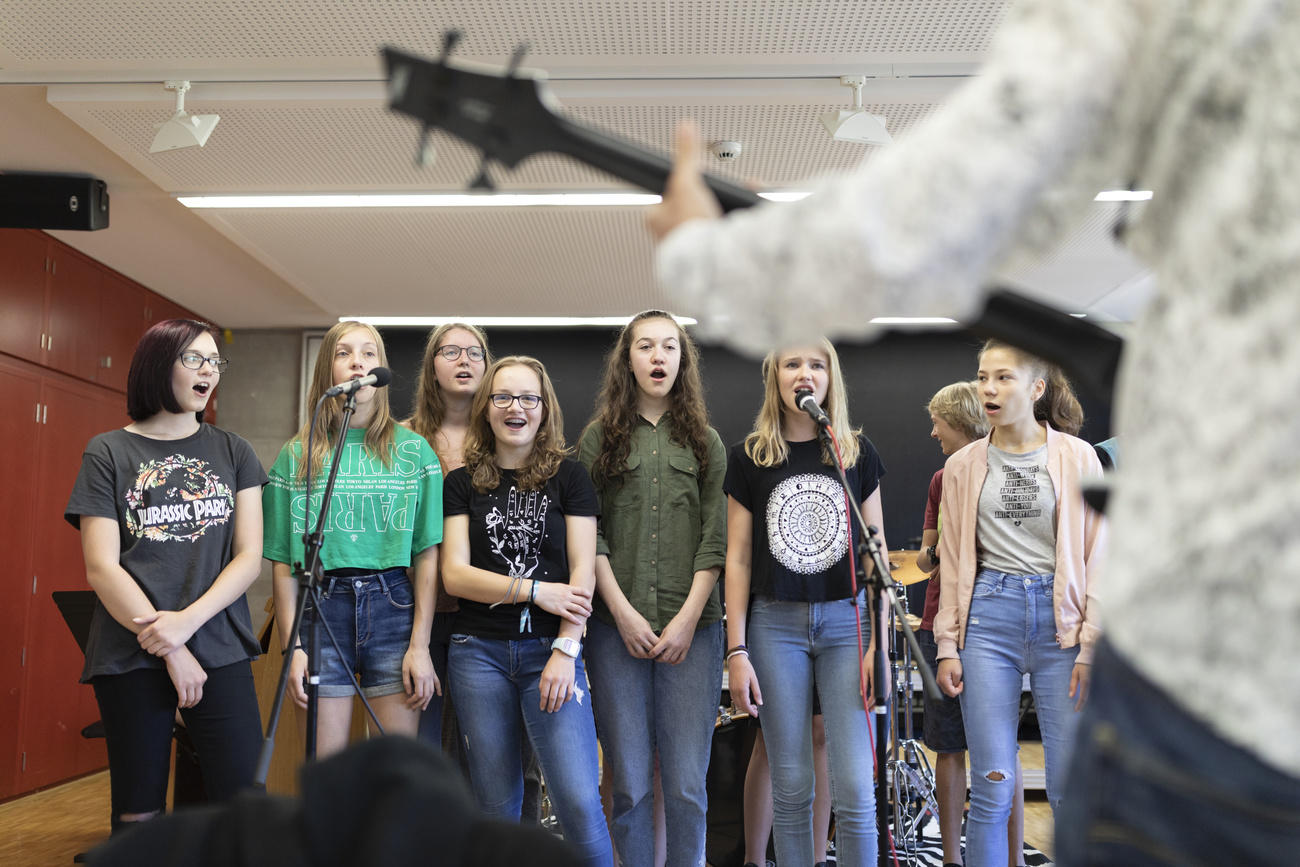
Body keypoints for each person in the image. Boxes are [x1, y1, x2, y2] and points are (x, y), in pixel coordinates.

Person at [650, 4, 1300, 861]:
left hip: (1213, 670)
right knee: (980, 779)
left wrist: (712, 258)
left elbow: (958, 195)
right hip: (1199, 656)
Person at [64, 319, 266, 832]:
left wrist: (187, 624)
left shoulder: (234, 451)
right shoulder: (108, 451)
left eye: (215, 362)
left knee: (243, 802)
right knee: (139, 812)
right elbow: (101, 566)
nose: (209, 372)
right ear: (159, 364)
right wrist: (170, 645)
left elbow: (248, 556)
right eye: (194, 359)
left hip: (219, 646)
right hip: (131, 652)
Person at [929, 343, 1103, 867]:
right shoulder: (963, 465)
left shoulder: (1079, 458)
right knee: (991, 787)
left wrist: (1093, 644)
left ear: (1037, 389)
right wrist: (946, 644)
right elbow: (954, 558)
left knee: (1070, 787)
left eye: (1003, 378)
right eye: (983, 378)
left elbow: (1103, 554)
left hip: (1063, 627)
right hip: (988, 618)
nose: (988, 389)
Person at [440, 355, 614, 866]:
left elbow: (583, 572)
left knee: (580, 802)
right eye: (503, 398)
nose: (516, 408)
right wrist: (537, 591)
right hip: (478, 656)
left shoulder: (571, 478)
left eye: (528, 398)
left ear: (544, 409)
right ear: (487, 409)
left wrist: (566, 647)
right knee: (496, 808)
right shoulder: (461, 483)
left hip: (551, 653)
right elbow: (456, 575)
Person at [723, 339, 886, 867]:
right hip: (775, 626)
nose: (805, 373)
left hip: (848, 624)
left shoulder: (855, 453)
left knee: (857, 788)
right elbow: (739, 558)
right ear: (775, 378)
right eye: (793, 364)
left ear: (831, 378)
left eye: (817, 364)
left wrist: (879, 643)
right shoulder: (749, 457)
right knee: (791, 786)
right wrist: (737, 650)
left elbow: (876, 558)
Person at [577, 310, 726, 867]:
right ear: (628, 360)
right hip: (616, 631)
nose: (658, 356)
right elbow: (589, 537)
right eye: (645, 346)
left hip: (696, 631)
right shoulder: (598, 440)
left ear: (683, 360)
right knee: (631, 786)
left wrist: (687, 618)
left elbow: (716, 540)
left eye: (669, 346)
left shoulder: (706, 442)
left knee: (687, 787)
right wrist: (620, 612)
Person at [263, 320, 441, 758]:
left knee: (395, 779)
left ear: (380, 372)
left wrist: (420, 645)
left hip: (393, 608)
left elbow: (427, 554)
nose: (357, 361)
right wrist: (293, 648)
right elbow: (284, 561)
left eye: (368, 353)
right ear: (328, 370)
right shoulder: (297, 454)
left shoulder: (414, 452)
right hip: (320, 609)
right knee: (327, 778)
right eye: (344, 353)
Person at [914, 381, 1026, 867]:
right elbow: (925, 555)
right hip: (944, 623)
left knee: (998, 750)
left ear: (958, 420)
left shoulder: (1013, 472)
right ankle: (956, 857)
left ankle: (1010, 854)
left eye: (938, 420)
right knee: (950, 743)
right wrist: (938, 551)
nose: (933, 430)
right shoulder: (942, 479)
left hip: (993, 626)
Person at [405, 322, 491, 749]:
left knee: (487, 753)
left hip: (490, 613)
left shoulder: (506, 438)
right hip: (413, 612)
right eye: (451, 351)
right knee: (422, 749)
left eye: (475, 353)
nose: (464, 360)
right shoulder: (401, 440)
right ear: (431, 366)